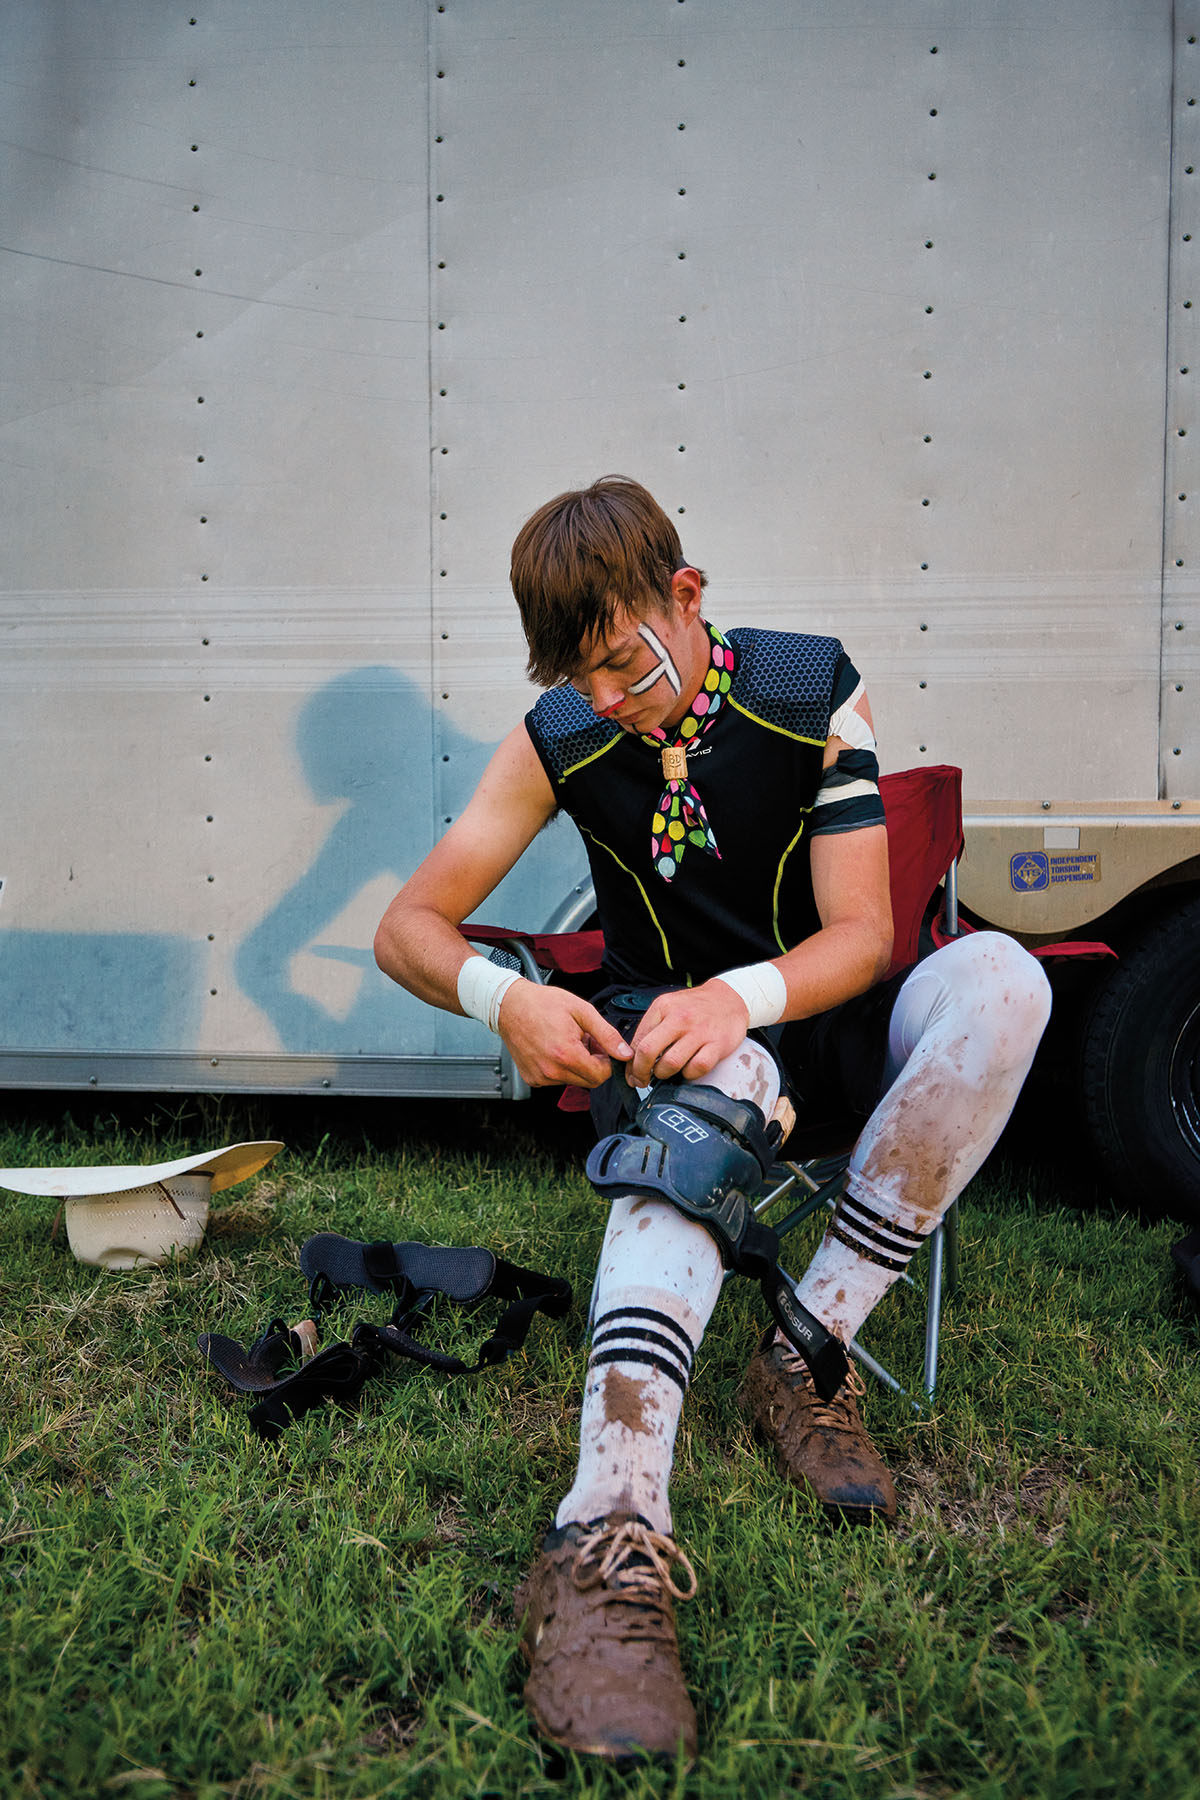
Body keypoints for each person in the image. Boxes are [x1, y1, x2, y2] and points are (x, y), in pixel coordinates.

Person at [374, 475, 1051, 1768]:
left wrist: (737, 999)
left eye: (627, 663)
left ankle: (807, 1353)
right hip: (669, 1053)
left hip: (817, 1016)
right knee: (703, 1098)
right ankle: (605, 1537)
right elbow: (406, 924)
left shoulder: (806, 688)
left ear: (686, 599)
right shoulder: (564, 728)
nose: (612, 700)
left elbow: (862, 934)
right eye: (585, 678)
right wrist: (504, 1000)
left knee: (1005, 984)